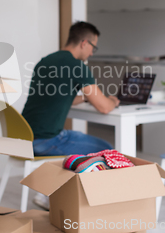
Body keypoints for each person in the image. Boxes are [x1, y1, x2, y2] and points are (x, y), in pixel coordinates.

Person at [22, 21, 120, 155]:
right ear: (84, 43)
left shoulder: (45, 61)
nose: (92, 53)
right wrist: (114, 100)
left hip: (24, 137)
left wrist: (86, 97)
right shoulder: (76, 66)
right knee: (108, 150)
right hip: (47, 140)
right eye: (93, 48)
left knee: (75, 136)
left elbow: (54, 98)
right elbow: (105, 107)